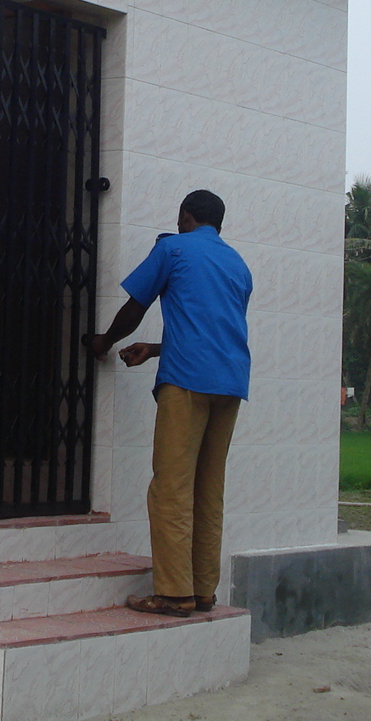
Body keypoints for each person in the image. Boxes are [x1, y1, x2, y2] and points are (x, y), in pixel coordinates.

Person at [83, 189, 252, 618]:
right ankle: (203, 589)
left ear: (185, 216)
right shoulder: (238, 264)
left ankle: (174, 594)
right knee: (208, 488)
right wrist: (156, 350)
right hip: (231, 383)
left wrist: (105, 341)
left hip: (187, 382)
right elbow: (212, 328)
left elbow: (135, 307)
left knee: (171, 488)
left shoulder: (173, 248)